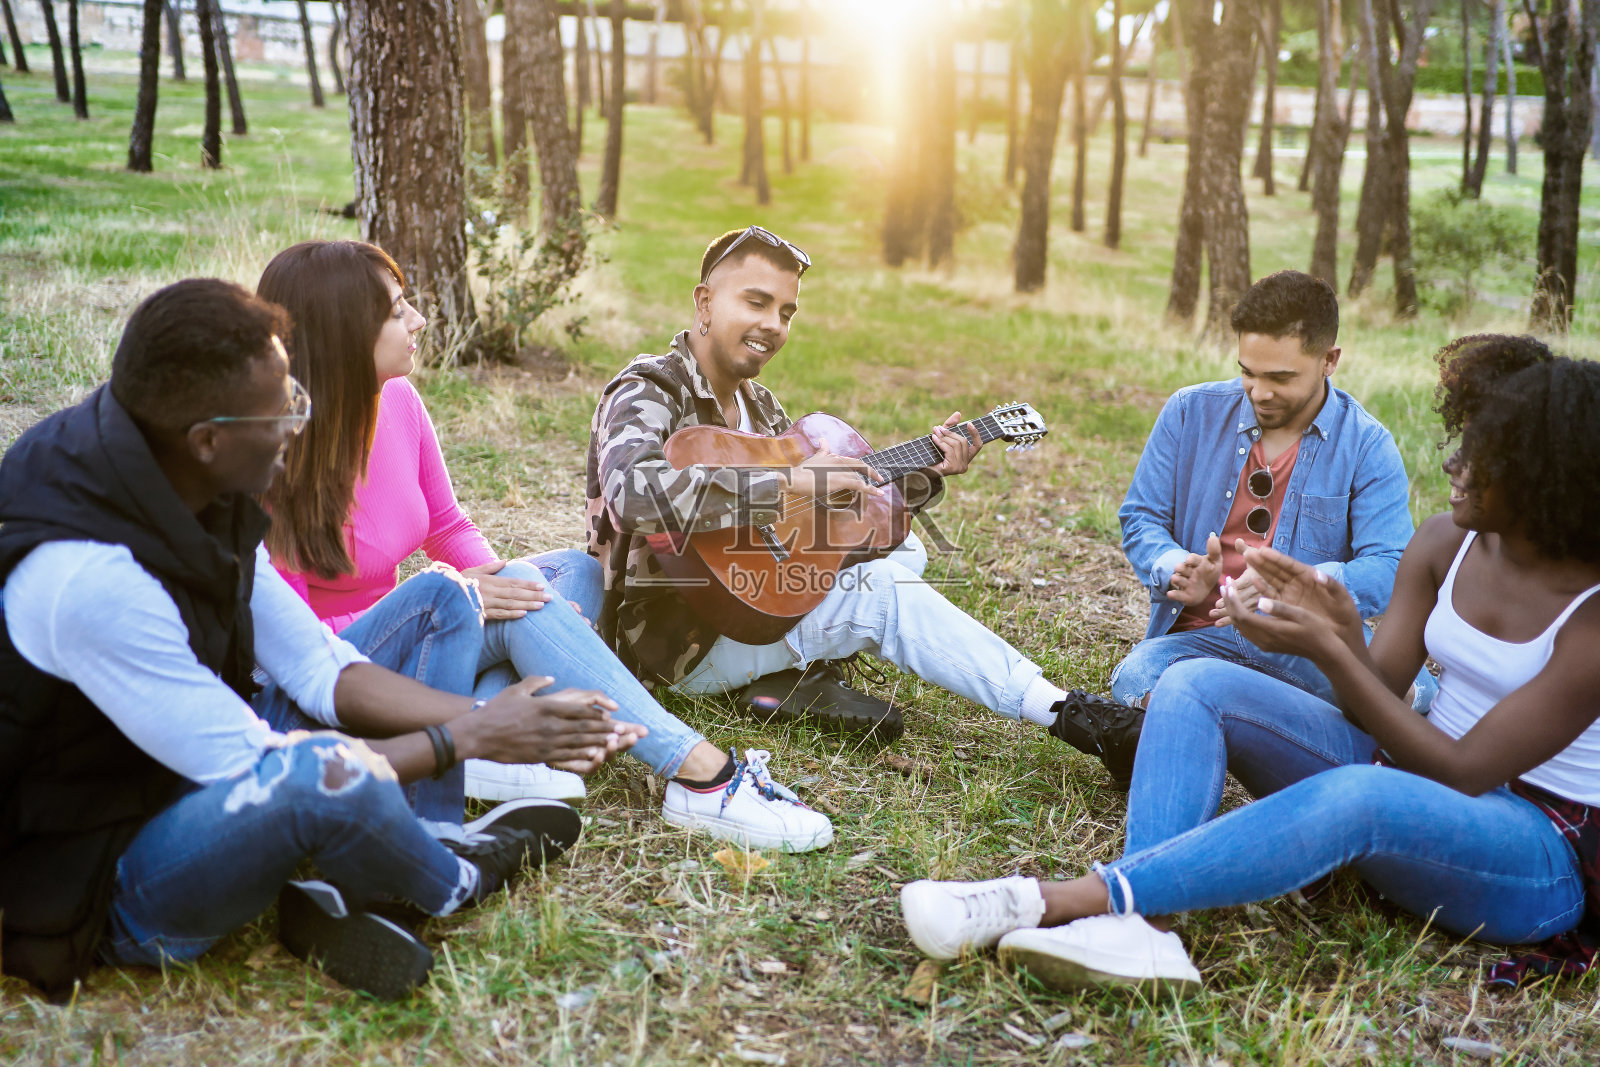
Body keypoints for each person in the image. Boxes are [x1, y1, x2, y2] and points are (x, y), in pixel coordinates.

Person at [899, 337, 1600, 996]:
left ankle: (1066, 899)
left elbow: (1466, 771)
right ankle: (1146, 930)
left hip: (1534, 852)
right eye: (1465, 442)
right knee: (1194, 682)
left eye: (1485, 458)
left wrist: (1328, 650)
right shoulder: (1447, 541)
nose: (1454, 464)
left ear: (1547, 481)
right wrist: (1340, 635)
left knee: (1361, 793)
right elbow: (1375, 703)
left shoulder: (1592, 617)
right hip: (1404, 779)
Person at [0, 280, 636, 1000]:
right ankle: (451, 878)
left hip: (175, 764)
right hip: (105, 873)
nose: (295, 426)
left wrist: (483, 719)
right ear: (208, 439)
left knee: (439, 600)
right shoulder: (90, 579)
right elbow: (261, 769)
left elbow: (314, 665)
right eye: (282, 412)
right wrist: (469, 738)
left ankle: (373, 862)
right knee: (310, 780)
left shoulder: (177, 471)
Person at [258, 241, 831, 853]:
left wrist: (506, 588)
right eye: (398, 310)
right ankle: (700, 774)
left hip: (423, 632)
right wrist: (468, 601)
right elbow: (286, 646)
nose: (419, 320)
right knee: (488, 599)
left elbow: (447, 525)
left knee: (574, 576)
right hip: (340, 669)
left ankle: (497, 731)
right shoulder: (273, 454)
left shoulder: (397, 400)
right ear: (343, 329)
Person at [585, 225, 1099, 795]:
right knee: (881, 592)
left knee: (905, 548)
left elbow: (812, 526)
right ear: (705, 301)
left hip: (748, 596)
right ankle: (1063, 711)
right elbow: (635, 493)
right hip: (672, 644)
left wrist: (923, 476)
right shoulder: (648, 388)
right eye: (755, 302)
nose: (772, 325)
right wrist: (794, 481)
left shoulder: (760, 405)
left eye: (786, 311)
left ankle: (788, 667)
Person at [1065, 271, 1436, 783]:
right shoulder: (1189, 411)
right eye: (1248, 372)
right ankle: (1257, 734)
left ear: (1330, 360)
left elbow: (1392, 565)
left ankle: (1194, 733)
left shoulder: (1368, 445)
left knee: (1416, 695)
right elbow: (1142, 517)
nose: (1259, 392)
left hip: (1306, 645)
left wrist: (1300, 586)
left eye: (1281, 378)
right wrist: (1179, 567)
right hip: (1200, 639)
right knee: (1136, 675)